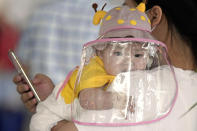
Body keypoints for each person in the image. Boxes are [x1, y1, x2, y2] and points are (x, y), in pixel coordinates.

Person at [13, 0, 197, 130]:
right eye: (118, 51)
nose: (128, 60)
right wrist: (56, 97)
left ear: (154, 16)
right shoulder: (190, 83)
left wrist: (50, 109)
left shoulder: (136, 85)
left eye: (128, 9)